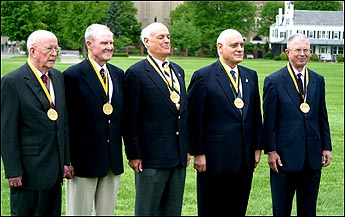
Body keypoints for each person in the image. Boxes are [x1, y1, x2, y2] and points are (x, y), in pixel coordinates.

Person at [187, 29, 263, 216]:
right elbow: (195, 118)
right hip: (215, 158)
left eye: (242, 45)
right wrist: (198, 152)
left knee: (238, 207)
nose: (240, 49)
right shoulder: (203, 76)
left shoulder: (250, 76)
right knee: (212, 208)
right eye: (234, 45)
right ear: (220, 48)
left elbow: (255, 114)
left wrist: (257, 147)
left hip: (244, 157)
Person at [1, 30, 73, 216]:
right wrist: (13, 170)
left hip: (55, 171)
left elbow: (62, 123)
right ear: (32, 51)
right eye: (49, 49)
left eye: (56, 49)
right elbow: (7, 131)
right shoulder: (12, 82)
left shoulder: (57, 78)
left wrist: (65, 160)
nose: (54, 53)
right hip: (28, 172)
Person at [122, 22, 190, 216]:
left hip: (177, 156)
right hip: (150, 157)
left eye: (168, 36)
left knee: (172, 210)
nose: (167, 40)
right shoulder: (136, 73)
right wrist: (134, 153)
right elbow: (130, 118)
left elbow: (182, 113)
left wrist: (186, 147)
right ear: (146, 42)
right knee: (148, 209)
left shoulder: (178, 71)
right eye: (161, 37)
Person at [263, 33, 332, 216]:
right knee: (281, 208)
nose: (302, 54)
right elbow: (269, 121)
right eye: (297, 50)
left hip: (312, 156)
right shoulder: (274, 81)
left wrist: (326, 146)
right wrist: (271, 151)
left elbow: (321, 115)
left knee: (309, 209)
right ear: (287, 52)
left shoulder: (318, 80)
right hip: (284, 157)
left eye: (306, 50)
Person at [63, 23, 124, 216]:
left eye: (111, 42)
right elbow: (66, 123)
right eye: (104, 42)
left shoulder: (117, 74)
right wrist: (68, 160)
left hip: (111, 161)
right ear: (89, 45)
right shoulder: (72, 76)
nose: (109, 47)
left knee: (106, 213)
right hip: (82, 162)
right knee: (78, 212)